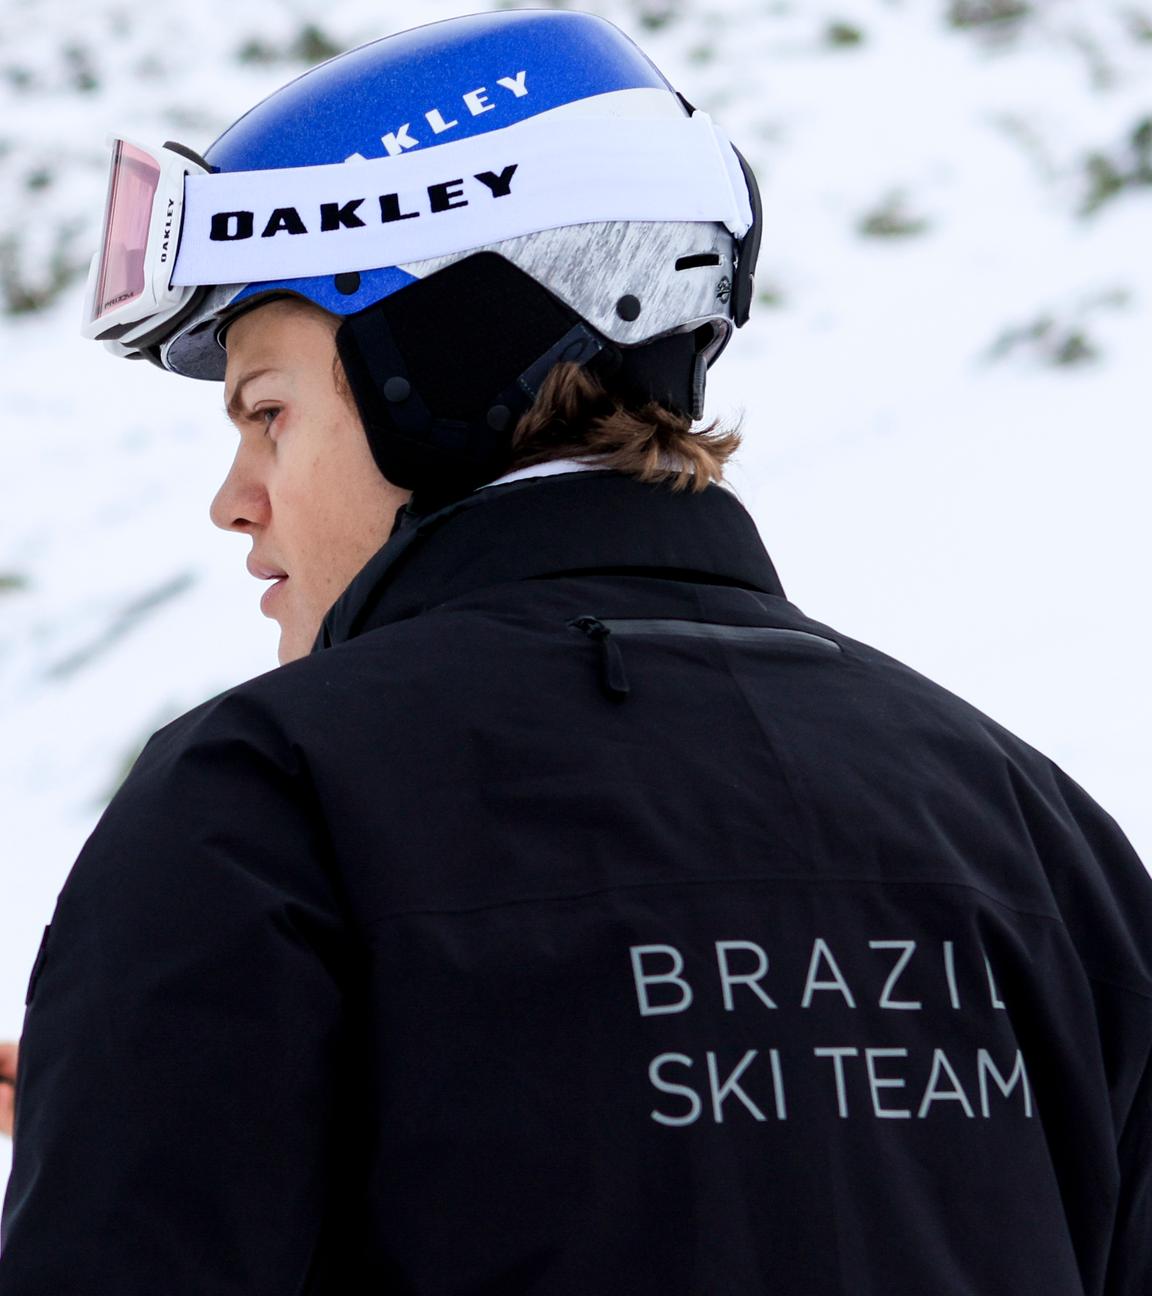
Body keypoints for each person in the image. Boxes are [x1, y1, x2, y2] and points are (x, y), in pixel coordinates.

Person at [1, 10, 1149, 1294]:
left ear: (431, 372)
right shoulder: (1038, 832)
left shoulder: (261, 812)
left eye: (269, 411)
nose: (236, 497)